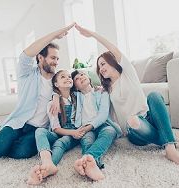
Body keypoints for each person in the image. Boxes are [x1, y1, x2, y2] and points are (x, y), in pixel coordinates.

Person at [74, 24, 179, 165]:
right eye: (99, 67)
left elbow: (113, 48)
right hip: (134, 129)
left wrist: (92, 34)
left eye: (104, 64)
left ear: (113, 62)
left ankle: (170, 148)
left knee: (154, 95)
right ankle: (168, 137)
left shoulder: (128, 73)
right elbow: (101, 107)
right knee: (133, 121)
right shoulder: (105, 89)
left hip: (149, 118)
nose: (101, 68)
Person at [0, 23, 75, 160]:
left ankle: (4, 145)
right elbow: (25, 56)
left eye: (57, 59)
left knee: (23, 152)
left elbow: (67, 89)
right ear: (40, 58)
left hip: (38, 129)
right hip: (19, 122)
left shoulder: (57, 80)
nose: (56, 62)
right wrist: (54, 35)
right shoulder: (27, 74)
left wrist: (56, 96)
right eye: (53, 58)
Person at [27, 70, 86, 185]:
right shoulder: (52, 104)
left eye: (69, 77)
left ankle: (47, 168)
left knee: (60, 143)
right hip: (59, 131)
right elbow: (55, 129)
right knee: (40, 131)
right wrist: (56, 97)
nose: (68, 78)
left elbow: (89, 92)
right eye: (63, 77)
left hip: (73, 133)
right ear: (56, 84)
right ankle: (47, 162)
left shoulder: (79, 97)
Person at [71, 70, 122, 181]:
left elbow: (103, 114)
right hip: (85, 128)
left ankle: (87, 158)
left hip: (102, 124)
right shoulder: (75, 96)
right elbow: (59, 91)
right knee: (87, 141)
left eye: (82, 74)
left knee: (110, 131)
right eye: (77, 79)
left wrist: (88, 127)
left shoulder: (102, 91)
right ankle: (92, 165)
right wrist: (55, 97)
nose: (81, 77)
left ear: (89, 78)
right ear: (75, 87)